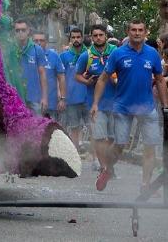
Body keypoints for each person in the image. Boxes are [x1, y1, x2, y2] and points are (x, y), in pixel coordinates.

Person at [93, 19, 168, 194]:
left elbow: (159, 79)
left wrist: (165, 105)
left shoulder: (153, 54)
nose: (137, 33)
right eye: (133, 30)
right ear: (128, 31)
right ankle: (108, 169)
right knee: (120, 145)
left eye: (140, 30)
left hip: (147, 108)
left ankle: (145, 184)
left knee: (150, 146)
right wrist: (95, 103)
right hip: (123, 107)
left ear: (145, 32)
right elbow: (103, 78)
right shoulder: (118, 54)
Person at [76, 23, 117, 190]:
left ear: (105, 36)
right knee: (100, 138)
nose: (98, 38)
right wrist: (87, 81)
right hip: (95, 104)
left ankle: (109, 165)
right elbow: (77, 75)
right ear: (91, 38)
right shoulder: (86, 55)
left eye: (101, 35)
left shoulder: (115, 52)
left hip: (115, 103)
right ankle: (104, 168)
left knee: (113, 139)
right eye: (95, 35)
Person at [60, 26, 89, 149]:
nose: (76, 39)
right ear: (70, 39)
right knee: (74, 128)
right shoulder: (64, 56)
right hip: (71, 99)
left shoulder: (90, 54)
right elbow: (60, 77)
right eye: (73, 37)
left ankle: (95, 159)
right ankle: (75, 155)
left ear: (82, 38)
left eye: (78, 37)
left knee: (93, 130)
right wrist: (62, 97)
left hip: (88, 98)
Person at [13, 19, 47, 114]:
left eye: (23, 30)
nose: (20, 33)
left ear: (28, 31)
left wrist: (44, 98)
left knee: (38, 127)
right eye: (17, 30)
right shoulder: (11, 50)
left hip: (34, 98)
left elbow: (42, 74)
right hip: (16, 98)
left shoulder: (37, 49)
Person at [33, 30, 65, 120]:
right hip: (32, 105)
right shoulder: (27, 56)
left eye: (41, 40)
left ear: (46, 41)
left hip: (51, 105)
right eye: (36, 41)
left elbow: (61, 78)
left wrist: (62, 99)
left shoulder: (54, 56)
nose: (39, 43)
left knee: (52, 132)